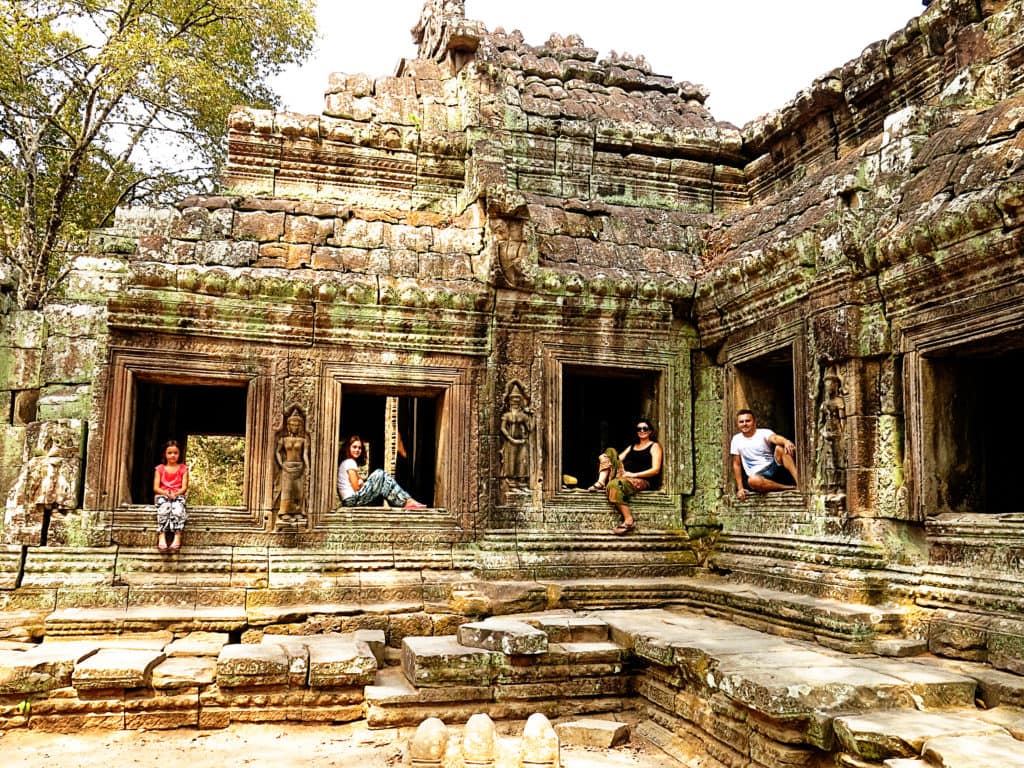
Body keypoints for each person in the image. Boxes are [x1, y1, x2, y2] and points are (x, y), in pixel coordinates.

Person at [588, 419, 662, 535]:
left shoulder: (654, 446)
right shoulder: (632, 446)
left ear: (650, 431)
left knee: (613, 485)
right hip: (624, 476)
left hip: (641, 479)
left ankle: (629, 521)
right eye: (639, 429)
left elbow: (655, 470)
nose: (642, 431)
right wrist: (606, 458)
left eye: (645, 428)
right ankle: (600, 482)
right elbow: (617, 459)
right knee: (610, 451)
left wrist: (633, 474)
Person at [337, 434, 427, 509]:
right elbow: (356, 487)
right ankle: (406, 501)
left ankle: (405, 501)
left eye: (359, 448)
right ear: (348, 448)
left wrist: (362, 483)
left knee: (384, 482)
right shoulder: (349, 462)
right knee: (380, 474)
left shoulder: (346, 462)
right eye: (354, 447)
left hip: (350, 500)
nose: (357, 450)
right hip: (351, 500)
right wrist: (361, 483)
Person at [730, 409, 799, 500]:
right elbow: (737, 464)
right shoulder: (736, 439)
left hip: (773, 467)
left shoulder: (763, 432)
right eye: (741, 422)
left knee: (780, 448)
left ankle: (800, 483)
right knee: (752, 480)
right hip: (758, 476)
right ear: (738, 424)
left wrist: (785, 441)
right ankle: (789, 488)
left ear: (754, 422)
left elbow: (774, 438)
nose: (744, 424)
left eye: (748, 421)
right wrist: (740, 488)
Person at [275, 406, 310, 518]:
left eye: (297, 425)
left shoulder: (303, 440)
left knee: (298, 491)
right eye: (293, 424)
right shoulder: (283, 440)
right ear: (288, 426)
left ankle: (297, 511)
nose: (295, 427)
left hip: (299, 467)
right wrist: (281, 464)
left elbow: (304, 454)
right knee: (287, 490)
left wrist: (308, 467)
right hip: (287, 467)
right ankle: (285, 512)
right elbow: (277, 452)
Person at [154, 440, 189, 552]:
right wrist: (166, 493)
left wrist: (175, 494)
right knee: (164, 509)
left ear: (179, 454)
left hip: (178, 495)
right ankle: (161, 535)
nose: (173, 455)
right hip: (162, 495)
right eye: (170, 453)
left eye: (175, 453)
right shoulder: (159, 469)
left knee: (178, 510)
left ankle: (177, 535)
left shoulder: (183, 469)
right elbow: (156, 487)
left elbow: (184, 487)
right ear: (165, 454)